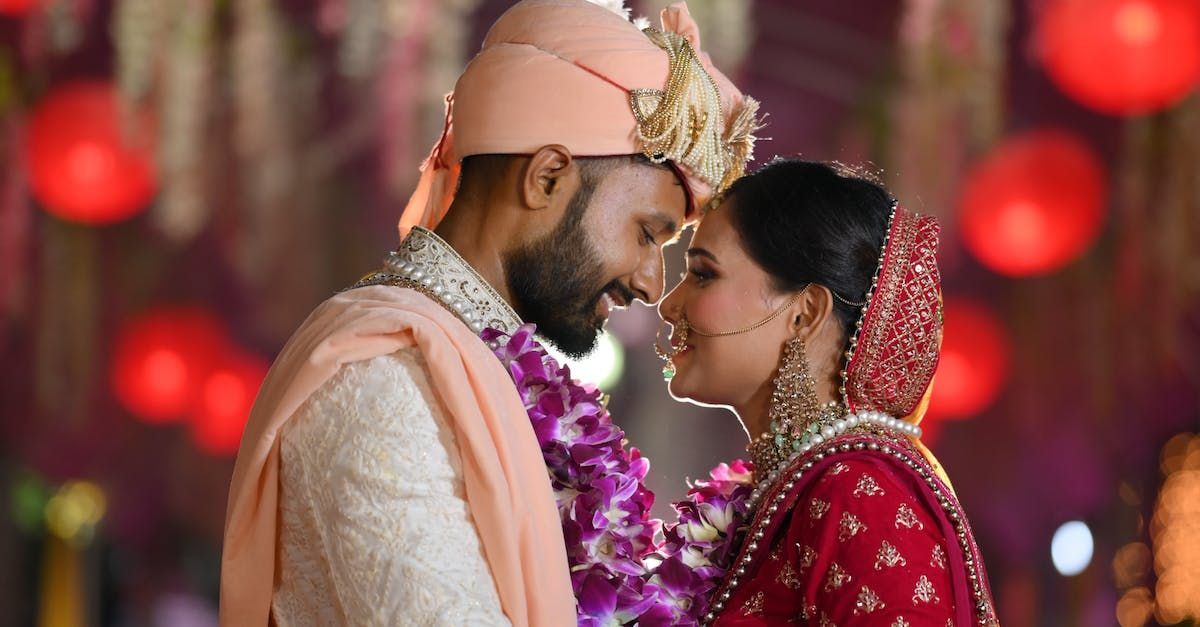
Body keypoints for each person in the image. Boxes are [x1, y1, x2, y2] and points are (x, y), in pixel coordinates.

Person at [218, 0, 761, 625]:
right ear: (547, 178)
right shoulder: (382, 380)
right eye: (647, 233)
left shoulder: (467, 367)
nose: (649, 285)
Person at [657, 159, 999, 625]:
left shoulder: (857, 491)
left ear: (805, 314)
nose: (668, 304)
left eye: (702, 274)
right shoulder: (780, 492)